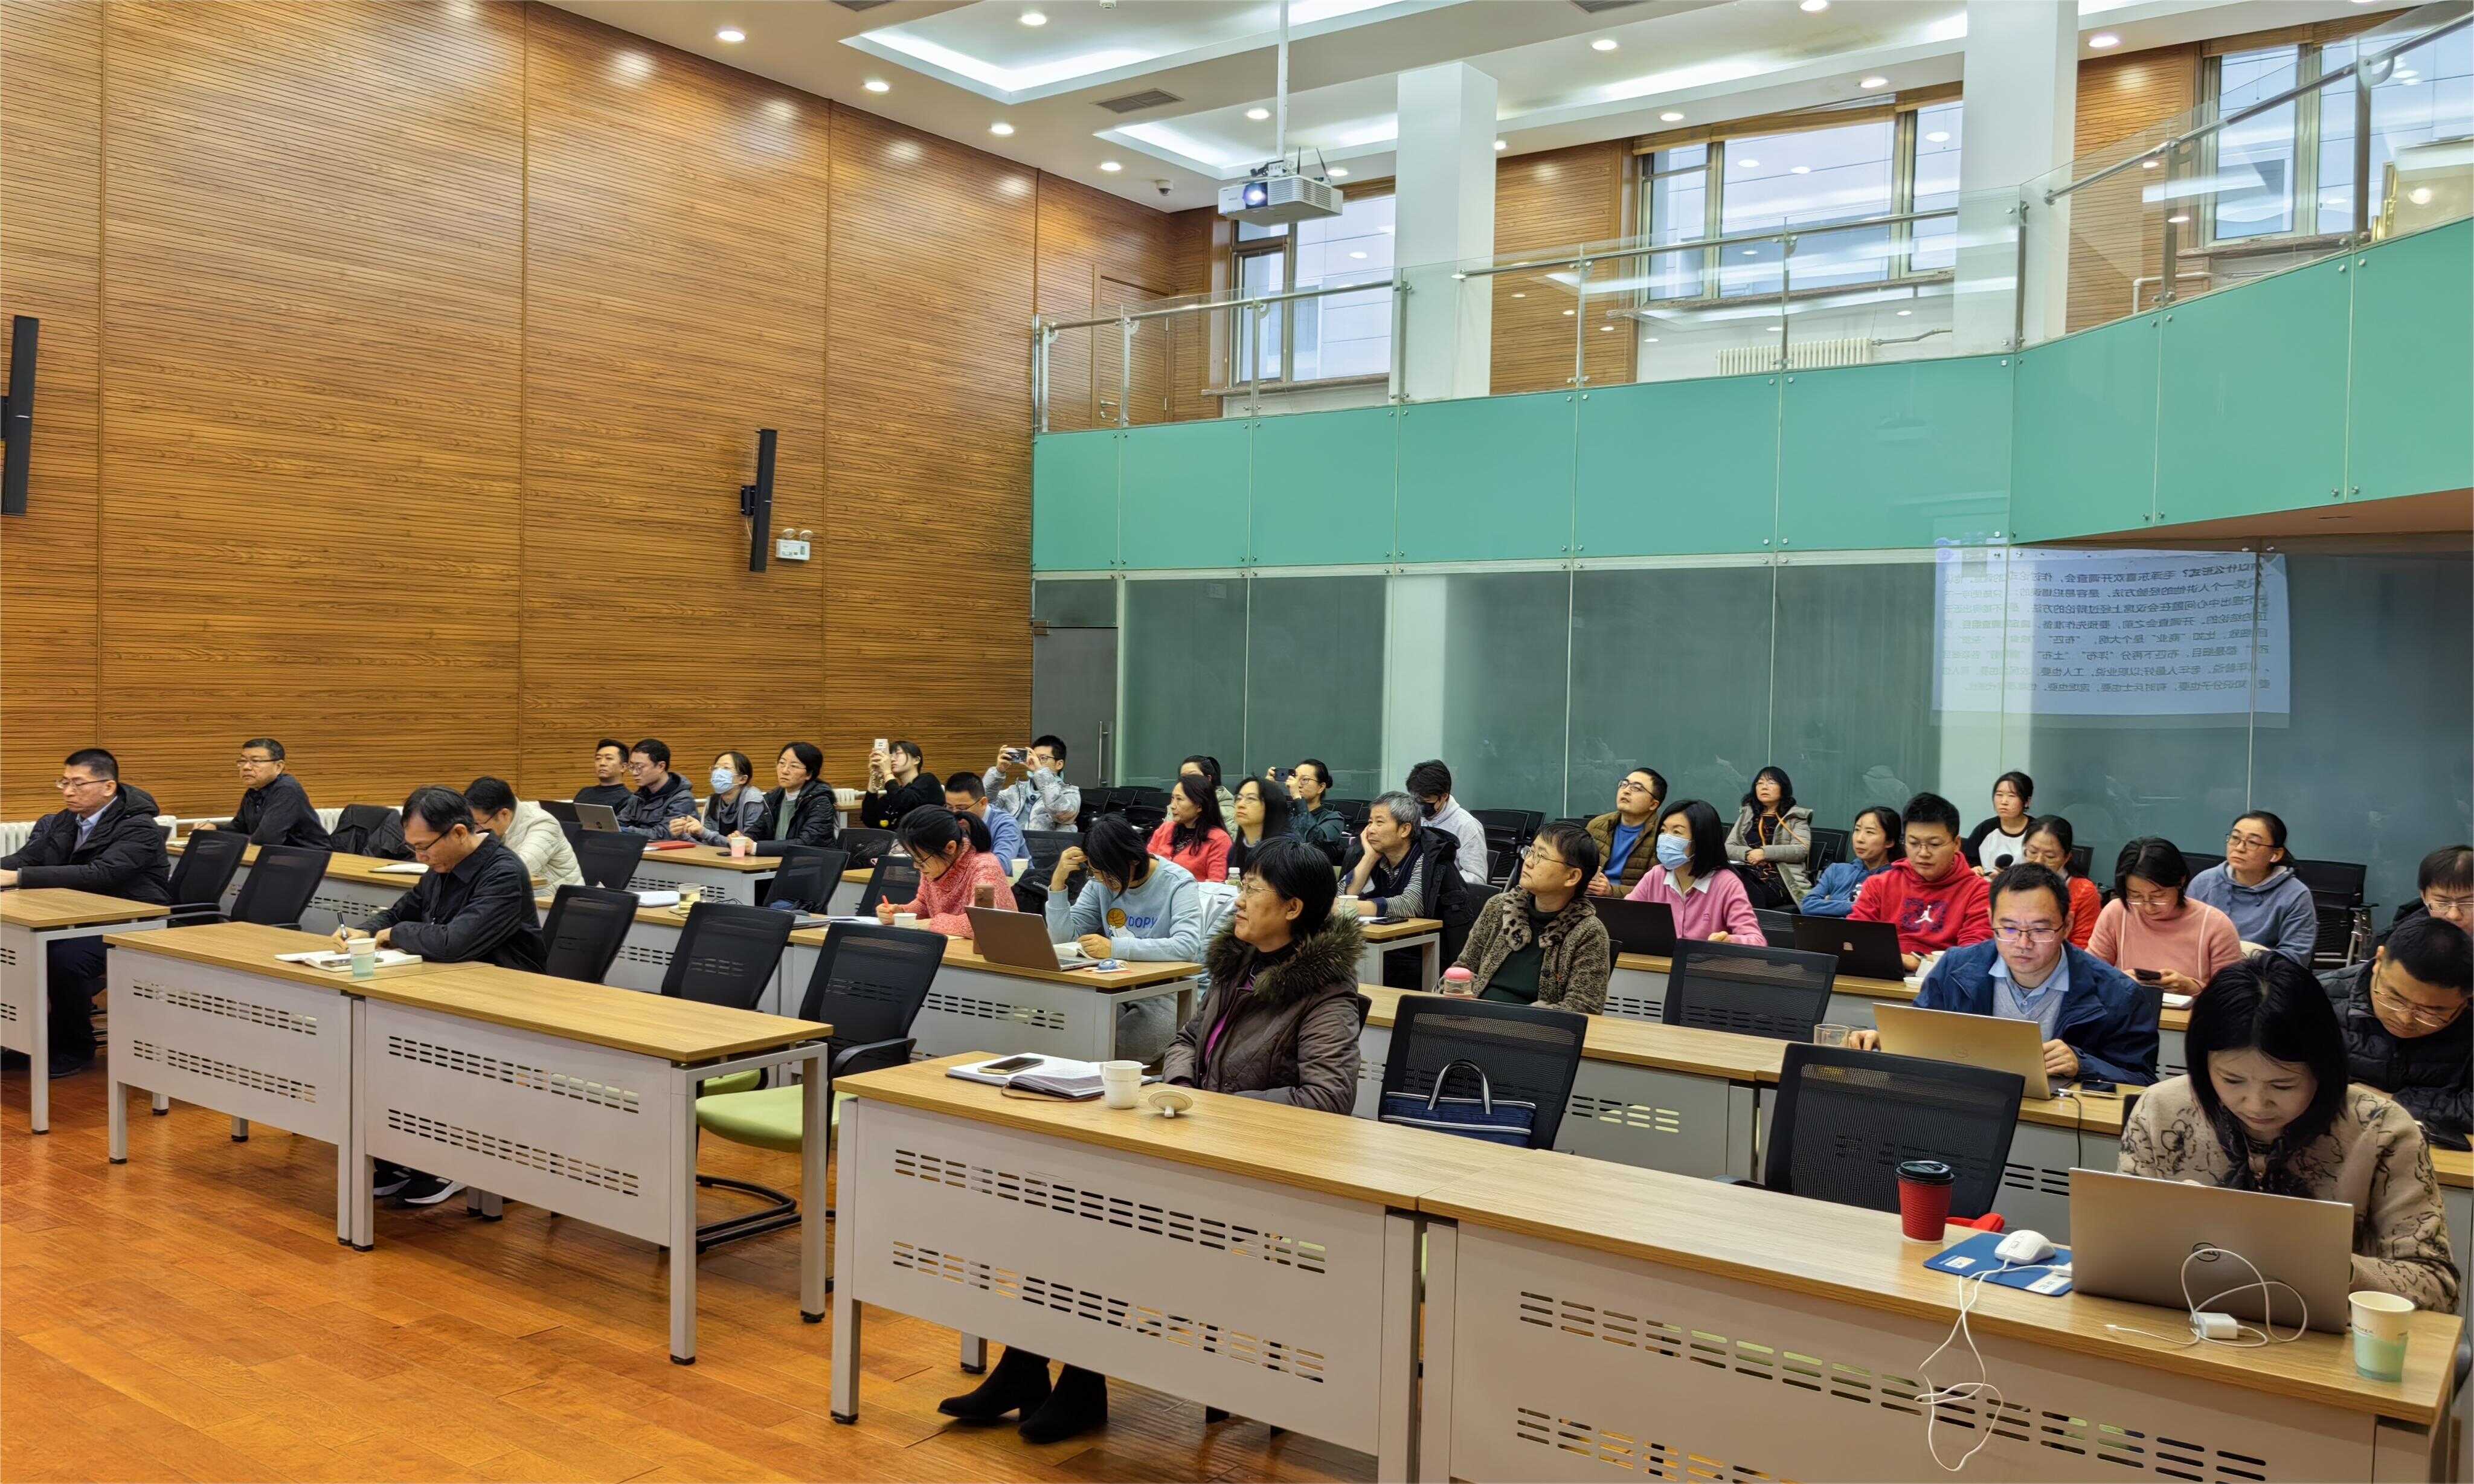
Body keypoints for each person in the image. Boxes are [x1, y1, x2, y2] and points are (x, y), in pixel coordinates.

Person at [951, 837, 1364, 1445]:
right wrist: (1182, 1087)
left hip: (1257, 1180)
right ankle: (1026, 1366)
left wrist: (1217, 1112)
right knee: (1064, 1206)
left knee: (1105, 1224)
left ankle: (1080, 1385)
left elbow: (1328, 1098)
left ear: (1293, 907)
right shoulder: (1239, 963)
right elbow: (1187, 1040)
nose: (1238, 899)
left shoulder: (1326, 994)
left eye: (1253, 888)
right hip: (1194, 1152)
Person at [2117, 954, 2457, 1311]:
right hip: (2181, 1322)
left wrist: (2324, 1264)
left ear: (2323, 1067)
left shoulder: (2382, 1131)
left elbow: (2436, 1287)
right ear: (2203, 1065)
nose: (2256, 1104)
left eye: (2283, 1085)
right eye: (2232, 1080)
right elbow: (2120, 1247)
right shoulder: (2162, 1109)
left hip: (2330, 1335)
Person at [336, 786, 545, 1207]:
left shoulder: (503, 872)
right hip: (451, 986)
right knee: (379, 1041)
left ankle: (451, 1161)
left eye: (424, 847)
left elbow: (454, 943)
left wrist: (393, 934)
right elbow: (403, 910)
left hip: (504, 997)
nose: (420, 857)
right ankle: (405, 1152)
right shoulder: (441, 863)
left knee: (419, 1049)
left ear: (460, 832)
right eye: (413, 848)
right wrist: (366, 929)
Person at [1849, 864, 2158, 1085]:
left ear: (2067, 925)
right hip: (1964, 1107)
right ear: (1990, 919)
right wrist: (1885, 1038)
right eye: (2008, 929)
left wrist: (2083, 1064)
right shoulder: (1955, 969)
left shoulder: (2117, 993)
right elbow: (1920, 1030)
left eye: (2040, 930)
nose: (2023, 944)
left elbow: (2143, 1080)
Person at [0, 750, 170, 1076]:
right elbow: (29, 857)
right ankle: (28, 1041)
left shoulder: (139, 827)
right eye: (64, 782)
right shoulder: (67, 820)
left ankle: (75, 1047)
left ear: (108, 787)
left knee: (65, 959)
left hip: (131, 921)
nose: (68, 791)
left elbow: (101, 874)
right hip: (77, 915)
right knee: (16, 948)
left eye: (78, 784)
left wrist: (18, 878)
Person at [1044, 816, 1204, 1061]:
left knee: (1114, 1052)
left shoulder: (1178, 882)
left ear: (1134, 859)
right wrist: (1058, 885)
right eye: (1096, 873)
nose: (1104, 882)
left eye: (1109, 875)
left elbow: (1187, 946)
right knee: (1065, 1038)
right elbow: (1064, 940)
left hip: (1165, 992)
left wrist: (1115, 948)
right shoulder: (1099, 883)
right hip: (1111, 987)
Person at [2325, 913, 2469, 1145]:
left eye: (2431, 1012)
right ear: (2379, 960)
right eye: (2394, 998)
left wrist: (2392, 1100)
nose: (2405, 1019)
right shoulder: (2320, 999)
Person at [1453, 821, 1611, 1012]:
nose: (1528, 862)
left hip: (1536, 1028)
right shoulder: (1499, 907)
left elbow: (1584, 1006)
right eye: (1530, 852)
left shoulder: (1589, 932)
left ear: (1572, 877)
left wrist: (1524, 1022)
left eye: (1541, 856)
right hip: (1474, 1018)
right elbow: (1464, 968)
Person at [1851, 792, 1993, 971]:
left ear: (1956, 844)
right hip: (1881, 976)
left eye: (1934, 844)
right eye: (1914, 843)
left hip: (1944, 981)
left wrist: (1918, 962)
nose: (1923, 853)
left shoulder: (1979, 892)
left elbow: (1973, 955)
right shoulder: (1879, 885)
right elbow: (1853, 941)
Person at [2088, 837, 2244, 998]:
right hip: (2129, 1010)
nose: (2148, 907)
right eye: (2136, 896)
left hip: (2194, 1013)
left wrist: (2194, 989)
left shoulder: (2215, 925)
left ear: (2181, 881)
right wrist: (2117, 980)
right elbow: (2088, 975)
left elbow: (2234, 997)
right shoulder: (2117, 912)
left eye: (2158, 896)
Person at [1625, 799, 1764, 945]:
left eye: (1677, 832)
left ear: (1702, 839)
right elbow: (1625, 916)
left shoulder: (1726, 883)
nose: (1666, 839)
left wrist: (1729, 941)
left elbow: (1757, 941)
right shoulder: (1656, 876)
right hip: (1657, 958)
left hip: (1704, 959)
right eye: (1663, 831)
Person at [2188, 810, 2318, 964]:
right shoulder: (2205, 882)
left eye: (2253, 843)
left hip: (2264, 975)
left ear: (2275, 854)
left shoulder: (2296, 895)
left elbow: (2296, 956)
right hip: (2203, 971)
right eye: (2235, 838)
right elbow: (2184, 936)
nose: (2239, 848)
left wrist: (2238, 959)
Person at [878, 806, 1017, 939]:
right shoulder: (935, 863)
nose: (916, 865)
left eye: (920, 859)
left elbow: (981, 923)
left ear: (950, 848)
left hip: (991, 951)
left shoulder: (985, 868)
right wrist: (901, 913)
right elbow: (925, 904)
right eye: (914, 858)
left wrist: (930, 924)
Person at [1341, 791, 1474, 927]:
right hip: (1387, 935)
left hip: (1432, 937)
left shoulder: (1429, 856)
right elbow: (1339, 896)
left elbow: (1410, 904)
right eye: (1370, 822)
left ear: (1405, 829)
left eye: (1379, 823)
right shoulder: (1373, 854)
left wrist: (1348, 907)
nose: (1370, 830)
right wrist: (1369, 858)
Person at [196, 737, 330, 849]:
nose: (246, 767)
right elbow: (239, 828)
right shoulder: (255, 790)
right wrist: (214, 829)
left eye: (255, 761)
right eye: (242, 761)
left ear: (279, 766)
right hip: (276, 856)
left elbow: (267, 838)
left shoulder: (287, 789)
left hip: (311, 858)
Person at [465, 776, 582, 889]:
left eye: (478, 823)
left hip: (557, 897)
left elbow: (518, 870)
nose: (476, 830)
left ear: (504, 814)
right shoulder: (497, 823)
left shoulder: (543, 824)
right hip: (521, 892)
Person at [1726, 765, 1812, 909]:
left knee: (1739, 888)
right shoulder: (1748, 814)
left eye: (1771, 783)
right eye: (1760, 783)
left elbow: (1801, 850)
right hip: (1746, 872)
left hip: (1780, 879)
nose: (1764, 787)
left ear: (1783, 788)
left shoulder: (1795, 816)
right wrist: (1748, 854)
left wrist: (1764, 853)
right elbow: (1728, 847)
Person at [737, 742, 840, 856]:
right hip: (779, 862)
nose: (785, 770)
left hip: (813, 863)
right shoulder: (773, 799)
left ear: (809, 774)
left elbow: (807, 843)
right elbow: (757, 832)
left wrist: (755, 848)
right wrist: (743, 839)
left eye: (794, 766)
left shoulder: (820, 802)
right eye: (782, 763)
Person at [1801, 805, 1901, 917]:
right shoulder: (1836, 870)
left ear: (1889, 842)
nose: (1859, 839)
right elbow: (1808, 905)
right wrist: (1858, 906)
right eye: (1857, 830)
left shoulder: (1897, 880)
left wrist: (1829, 905)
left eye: (1870, 832)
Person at [2018, 815, 2101, 948]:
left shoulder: (2084, 891)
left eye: (2050, 856)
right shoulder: (2010, 886)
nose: (2039, 861)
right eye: (2032, 852)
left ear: (2066, 857)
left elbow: (2083, 948)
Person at [1407, 759, 1491, 888]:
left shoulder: (1466, 826)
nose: (1419, 806)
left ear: (1444, 796)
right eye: (1416, 800)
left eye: (1425, 801)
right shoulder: (1413, 818)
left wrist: (1436, 879)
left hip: (1444, 895)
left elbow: (1477, 879)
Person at [1586, 767, 1666, 898]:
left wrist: (1612, 891)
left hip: (1632, 905)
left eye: (1637, 788)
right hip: (1590, 899)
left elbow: (1657, 890)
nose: (1626, 791)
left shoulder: (1662, 835)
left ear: (1653, 804)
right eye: (1624, 784)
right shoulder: (1597, 825)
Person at [985, 735, 1079, 832]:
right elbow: (985, 806)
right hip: (1012, 841)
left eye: (1043, 758)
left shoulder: (1070, 793)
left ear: (1059, 764)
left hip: (1046, 843)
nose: (1036, 762)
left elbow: (1062, 813)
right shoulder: (1016, 790)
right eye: (1034, 757)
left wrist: (1040, 771)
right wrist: (998, 771)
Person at [673, 751, 766, 846]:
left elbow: (746, 844)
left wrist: (703, 832)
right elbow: (707, 845)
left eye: (726, 768)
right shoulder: (713, 801)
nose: (718, 773)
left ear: (742, 779)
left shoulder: (753, 800)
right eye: (716, 768)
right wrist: (682, 835)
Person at [1148, 776, 1231, 883]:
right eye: (1173, 798)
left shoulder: (1219, 839)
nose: (1173, 806)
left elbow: (1216, 884)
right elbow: (1146, 866)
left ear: (1199, 806)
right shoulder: (1165, 829)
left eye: (1179, 799)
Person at [942, 771, 1026, 872]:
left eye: (962, 808)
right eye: (950, 807)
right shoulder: (948, 821)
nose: (955, 814)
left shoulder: (1006, 824)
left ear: (983, 803)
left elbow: (1001, 867)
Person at [613, 739, 697, 837]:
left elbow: (664, 834)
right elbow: (620, 822)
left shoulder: (682, 799)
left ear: (661, 766)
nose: (635, 773)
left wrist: (623, 830)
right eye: (632, 767)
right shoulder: (639, 796)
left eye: (640, 767)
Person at [1964, 771, 2035, 875]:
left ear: (2027, 802)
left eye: (2012, 796)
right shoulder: (1985, 828)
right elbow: (1968, 861)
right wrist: (1974, 870)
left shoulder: (2037, 831)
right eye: (1999, 795)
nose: (2004, 801)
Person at [862, 739, 942, 829]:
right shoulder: (892, 794)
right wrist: (874, 776)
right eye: (890, 755)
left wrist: (887, 772)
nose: (892, 759)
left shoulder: (928, 781)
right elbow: (869, 820)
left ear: (916, 760)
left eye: (898, 754)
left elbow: (904, 801)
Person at [1284, 759, 1349, 866]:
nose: (1298, 785)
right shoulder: (1286, 815)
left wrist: (1297, 798)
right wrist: (1267, 788)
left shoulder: (1333, 818)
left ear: (1321, 787)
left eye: (1305, 780)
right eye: (1295, 778)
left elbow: (1314, 844)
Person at [2396, 844, 2473, 933]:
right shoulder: (2403, 938)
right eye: (2441, 903)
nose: (2453, 915)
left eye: (2468, 903)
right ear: (2424, 897)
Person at [1225, 776, 1291, 875]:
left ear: (1270, 806)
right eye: (1239, 798)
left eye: (1251, 799)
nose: (1241, 805)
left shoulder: (1285, 851)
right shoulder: (1235, 851)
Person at [574, 739, 632, 810]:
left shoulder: (629, 799)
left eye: (609, 758)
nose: (602, 763)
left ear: (623, 767)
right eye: (598, 758)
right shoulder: (584, 793)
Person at [1178, 755, 1236, 819]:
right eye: (1183, 777)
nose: (1187, 781)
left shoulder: (1225, 810)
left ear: (1208, 779)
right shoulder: (1176, 804)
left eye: (1193, 776)